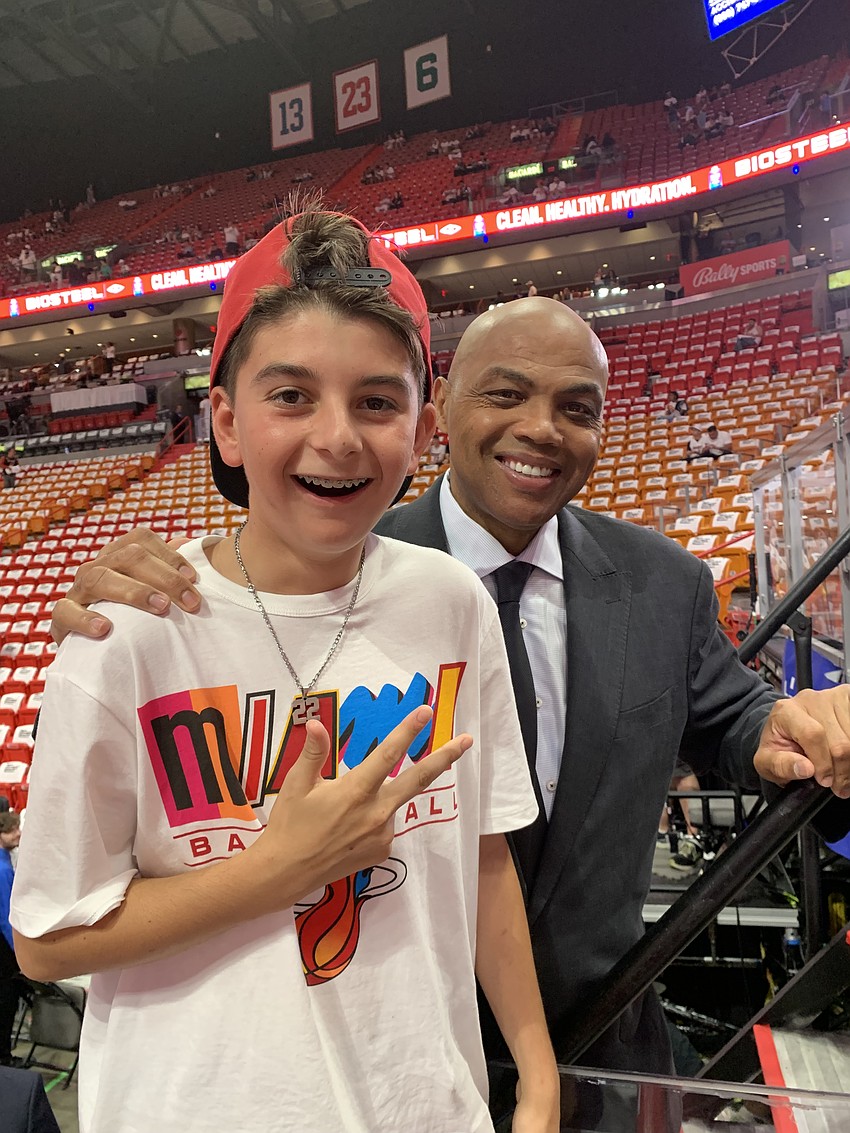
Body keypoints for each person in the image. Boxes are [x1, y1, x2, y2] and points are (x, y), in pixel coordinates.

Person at [50, 298, 850, 1127]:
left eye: (577, 408)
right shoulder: (341, 557)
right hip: (389, 1048)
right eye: (505, 394)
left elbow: (729, 717)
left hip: (604, 1045)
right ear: (444, 409)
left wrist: (786, 731)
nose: (540, 428)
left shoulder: (663, 580)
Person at [12, 210, 558, 1133]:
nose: (339, 437)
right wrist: (279, 869)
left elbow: (483, 855)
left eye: (378, 402)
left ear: (423, 427)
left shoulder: (452, 603)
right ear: (224, 422)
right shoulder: (128, 635)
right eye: (291, 395)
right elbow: (44, 938)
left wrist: (536, 1079)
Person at [0, 811, 21, 1068]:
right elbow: (6, 920)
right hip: (5, 953)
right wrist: (20, 954)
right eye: (12, 830)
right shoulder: (3, 869)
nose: (18, 834)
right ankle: (4, 1056)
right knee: (6, 1005)